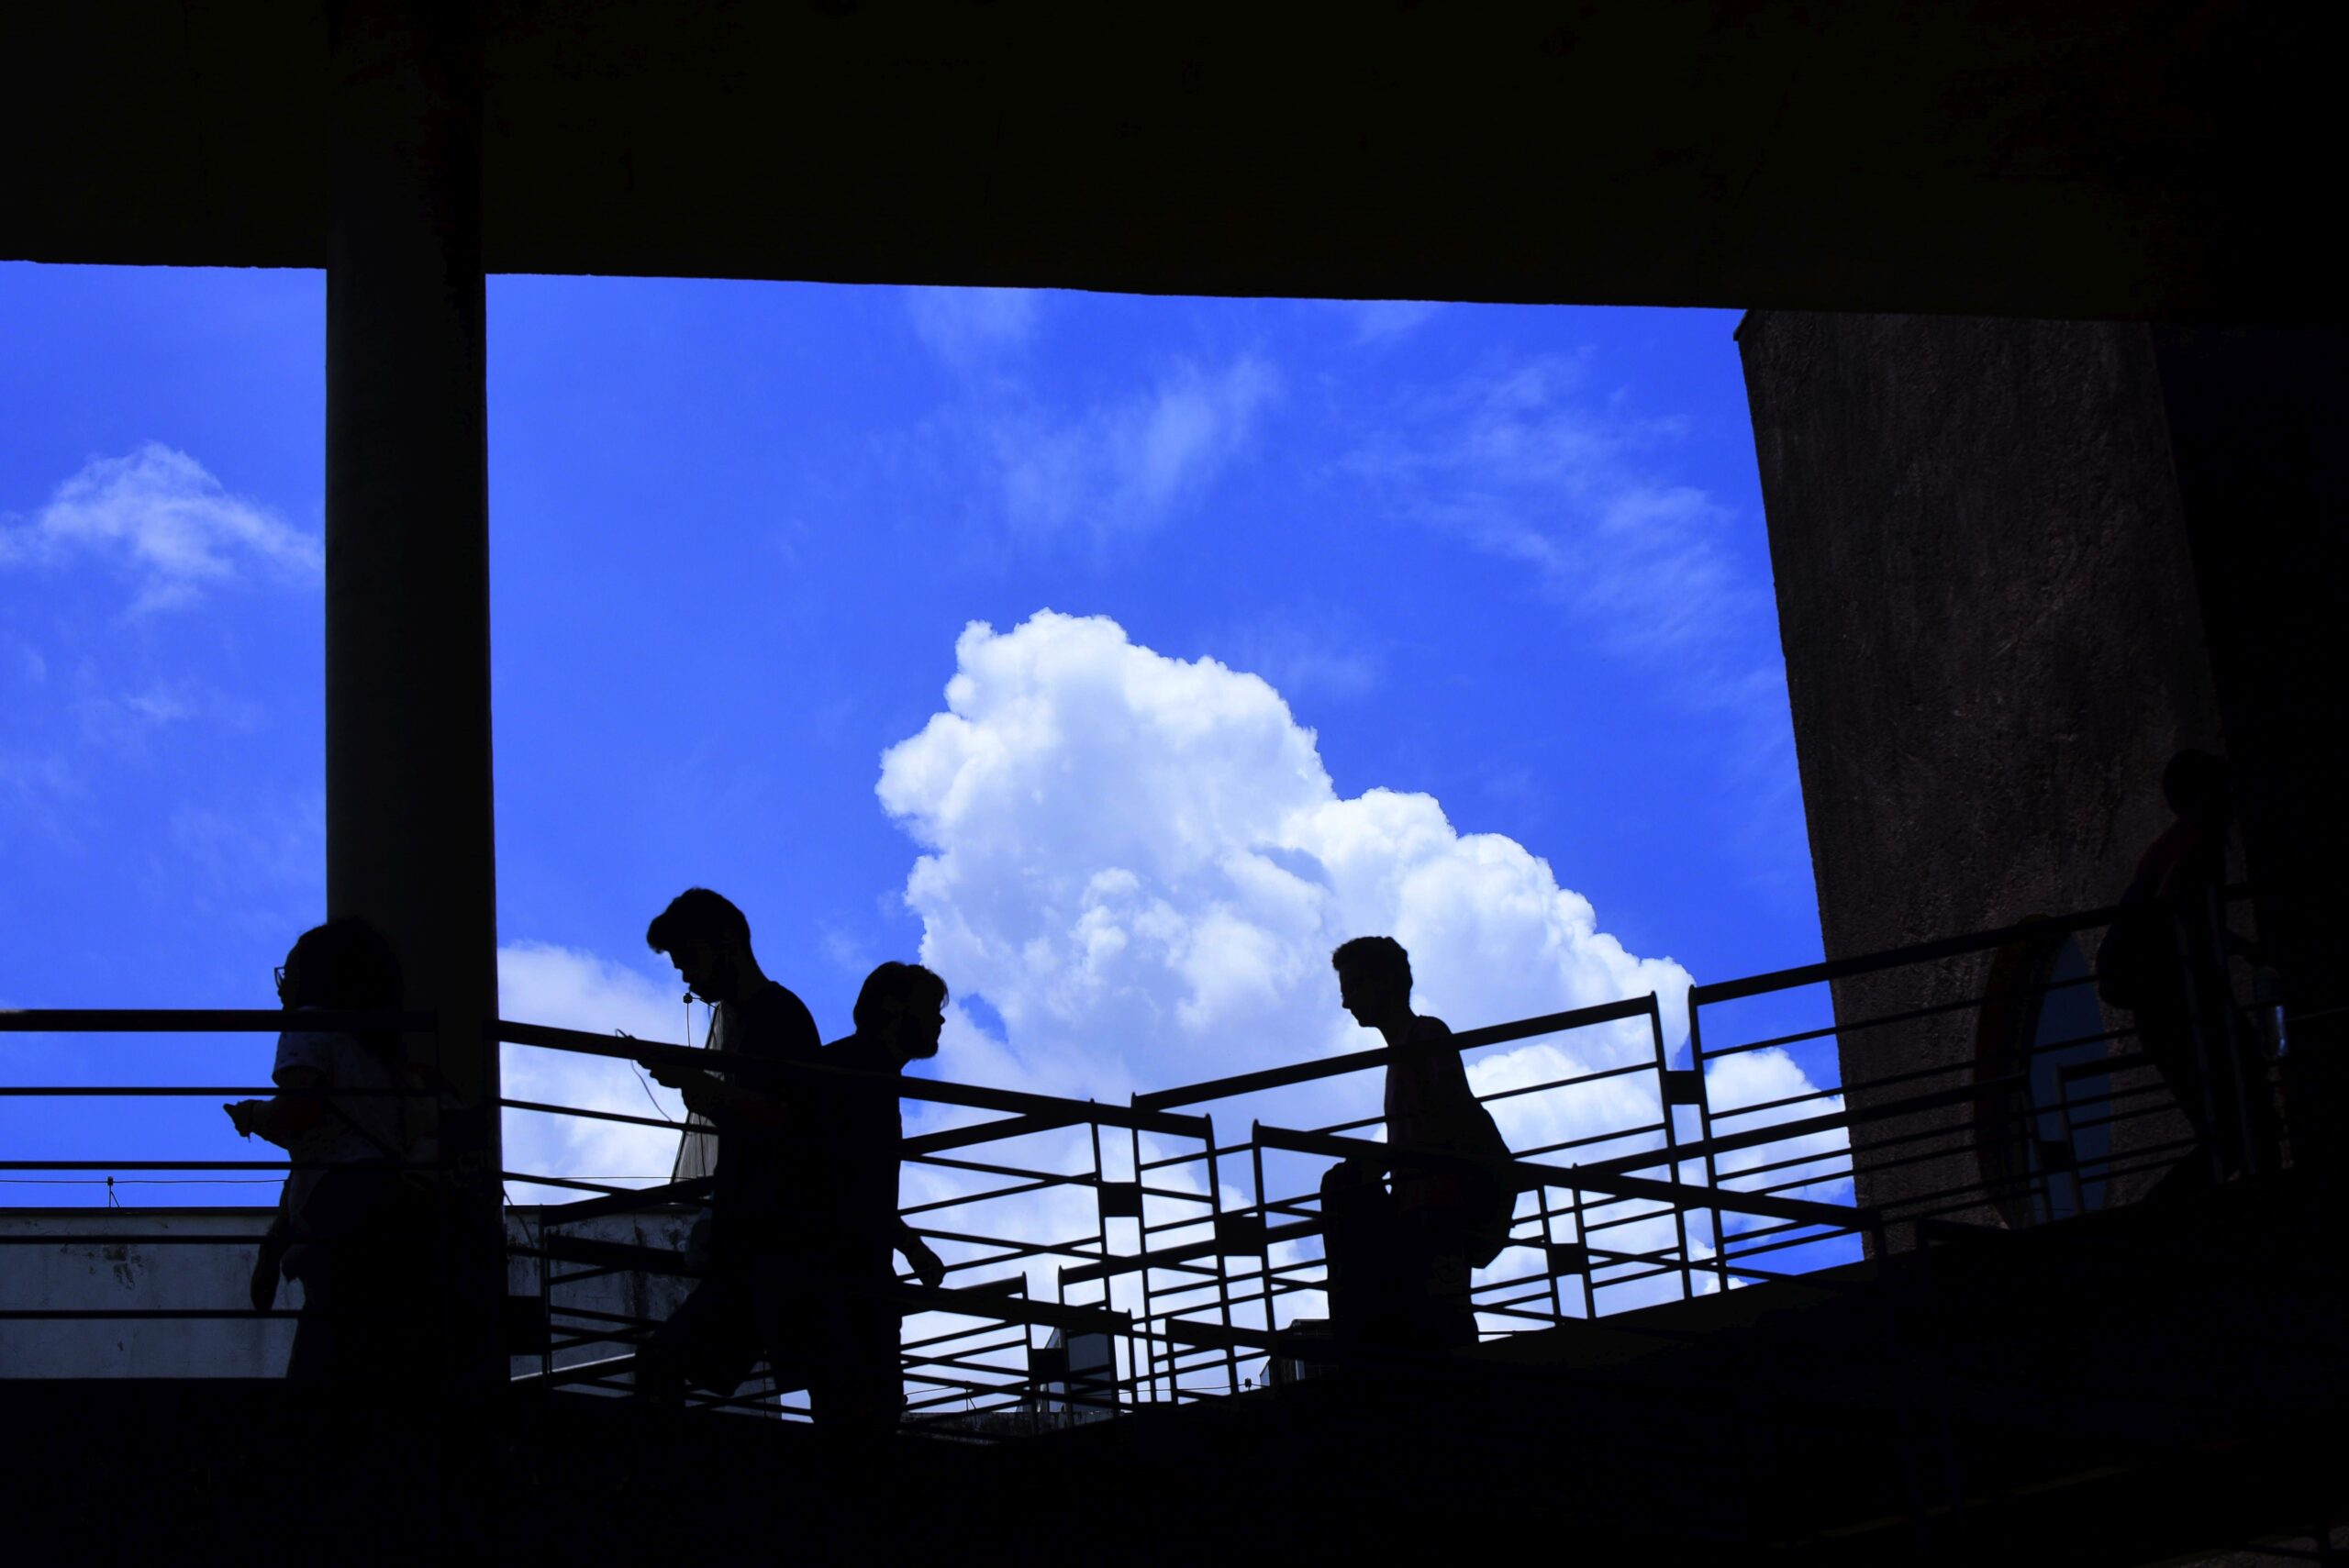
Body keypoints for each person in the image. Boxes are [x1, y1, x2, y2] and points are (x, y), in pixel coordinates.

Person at [631, 891, 939, 1433]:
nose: (687, 977)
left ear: (726, 943)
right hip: (811, 1263)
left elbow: (801, 1133)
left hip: (789, 1256)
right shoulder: (835, 1056)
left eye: (690, 958)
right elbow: (817, 1146)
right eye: (929, 1008)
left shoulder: (792, 1031)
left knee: (673, 1365)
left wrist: (708, 1092)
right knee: (856, 1417)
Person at [225, 917, 433, 1384]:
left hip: (340, 1211)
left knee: (325, 1362)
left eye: (289, 973)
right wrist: (273, 1246)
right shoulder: (382, 1057)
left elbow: (300, 1112)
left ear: (313, 979)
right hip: (394, 1206)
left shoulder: (308, 1026)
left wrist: (255, 1116)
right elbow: (320, 1145)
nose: (281, 987)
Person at [1319, 936, 1514, 1353]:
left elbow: (1449, 1115)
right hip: (1422, 1211)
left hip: (1440, 1211)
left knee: (1443, 1323)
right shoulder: (1405, 1050)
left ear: (1383, 983)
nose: (1346, 1003)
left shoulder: (1426, 1035)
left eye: (1353, 988)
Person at [2099, 751, 2276, 1192]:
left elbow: (2186, 915)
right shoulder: (2196, 844)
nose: (2231, 797)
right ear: (2203, 794)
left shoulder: (2172, 845)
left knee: (2236, 1131)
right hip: (2184, 1011)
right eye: (2221, 787)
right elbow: (2181, 909)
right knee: (2244, 1125)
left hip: (2173, 1010)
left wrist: (2240, 949)